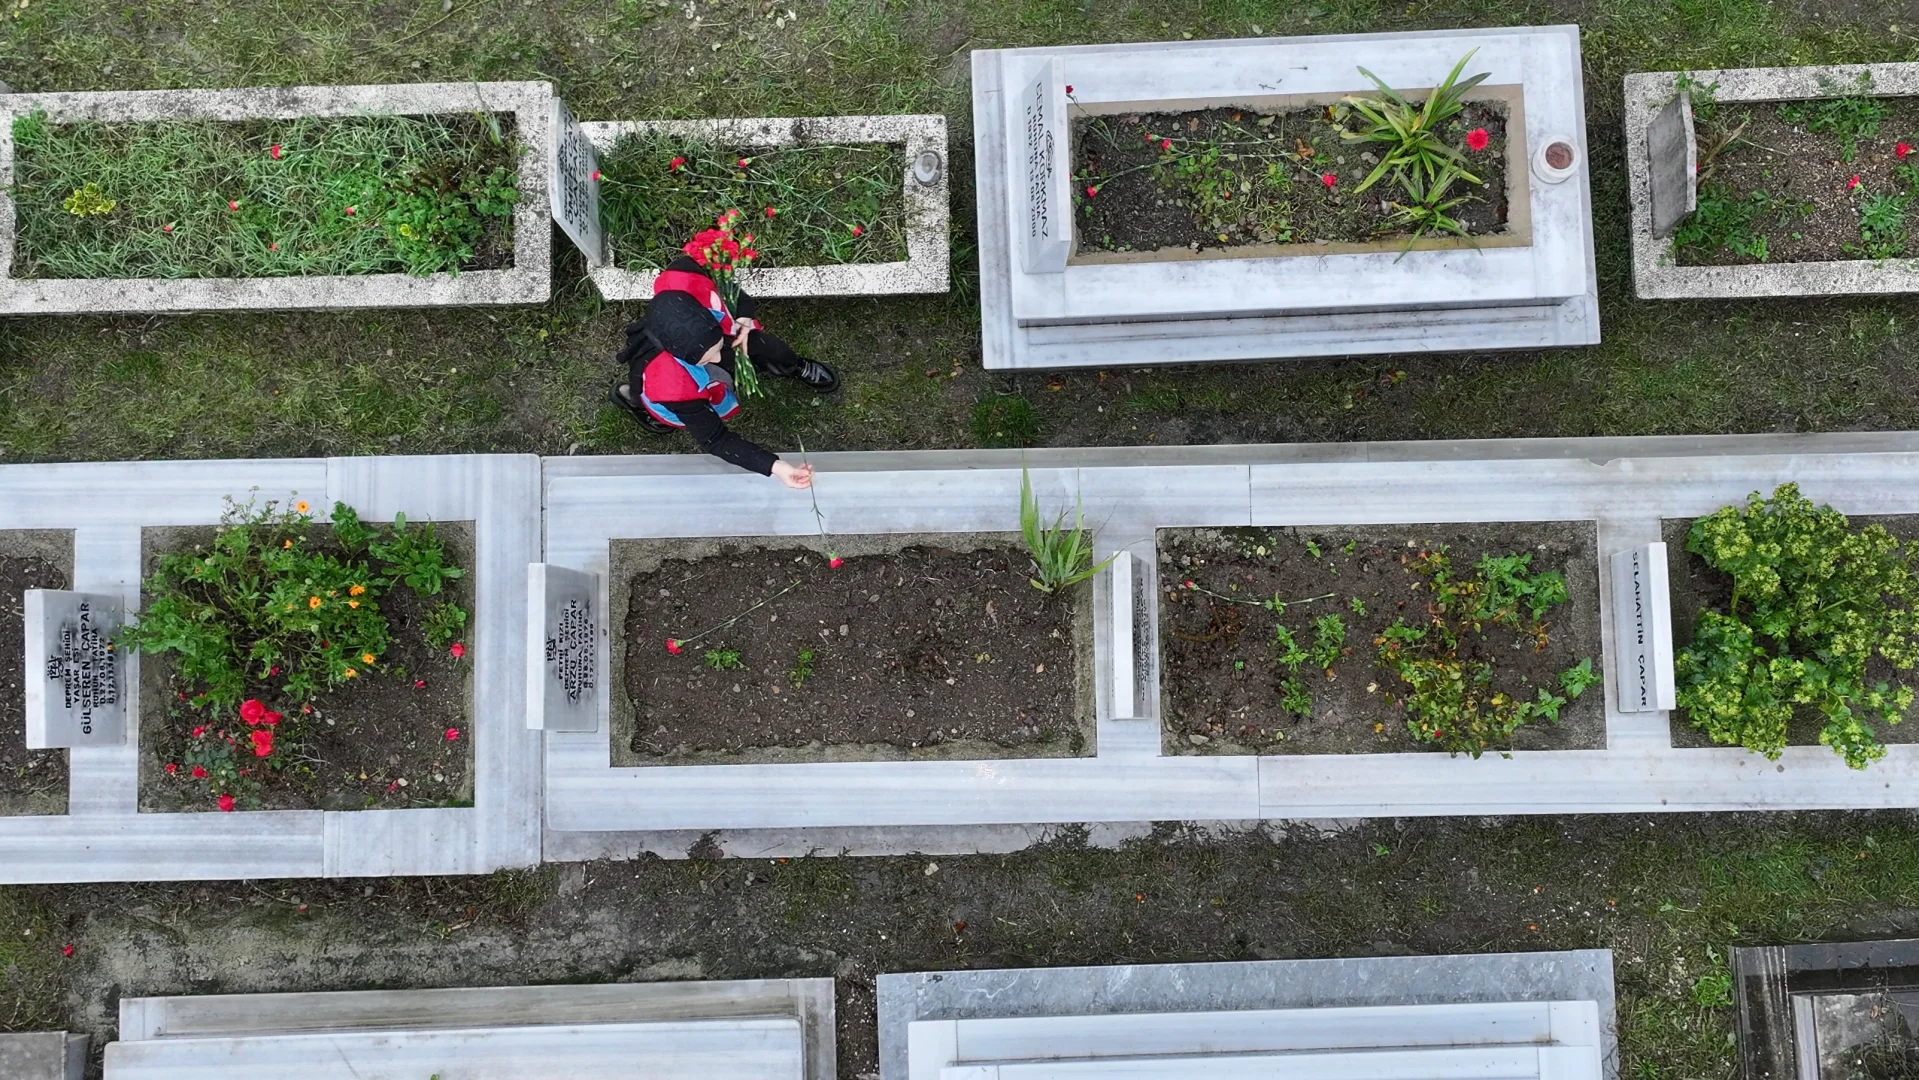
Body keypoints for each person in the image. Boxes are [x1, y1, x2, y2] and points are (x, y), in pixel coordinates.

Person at [609, 255, 840, 490]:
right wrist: (776, 467)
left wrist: (743, 316)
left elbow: (718, 284)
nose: (719, 359)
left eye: (718, 348)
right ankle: (638, 403)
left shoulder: (682, 281)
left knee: (761, 346)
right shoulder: (673, 386)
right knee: (671, 409)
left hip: (695, 353)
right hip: (670, 391)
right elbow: (716, 439)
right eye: (709, 358)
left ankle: (794, 366)